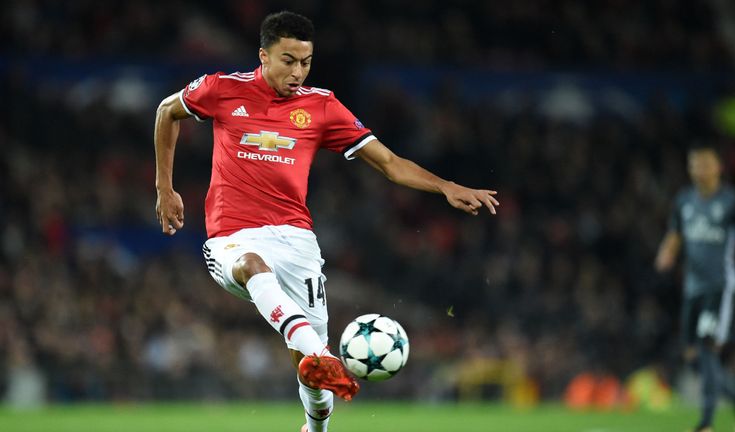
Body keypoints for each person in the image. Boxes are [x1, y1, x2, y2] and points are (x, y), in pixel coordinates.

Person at [153, 10, 499, 432]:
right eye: (288, 60)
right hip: (233, 234)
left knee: (306, 368)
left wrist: (445, 186)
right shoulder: (222, 89)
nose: (298, 71)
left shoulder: (321, 106)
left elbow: (389, 163)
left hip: (297, 242)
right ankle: (324, 357)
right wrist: (164, 188)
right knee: (252, 268)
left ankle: (315, 422)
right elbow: (167, 112)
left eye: (306, 62)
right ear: (263, 55)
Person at [655, 143, 735, 432]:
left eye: (705, 164)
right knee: (692, 359)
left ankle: (705, 424)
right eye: (694, 165)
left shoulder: (732, 202)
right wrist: (666, 252)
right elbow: (675, 233)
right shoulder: (684, 200)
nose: (699, 170)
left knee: (706, 349)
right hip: (693, 290)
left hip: (721, 288)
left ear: (719, 167)